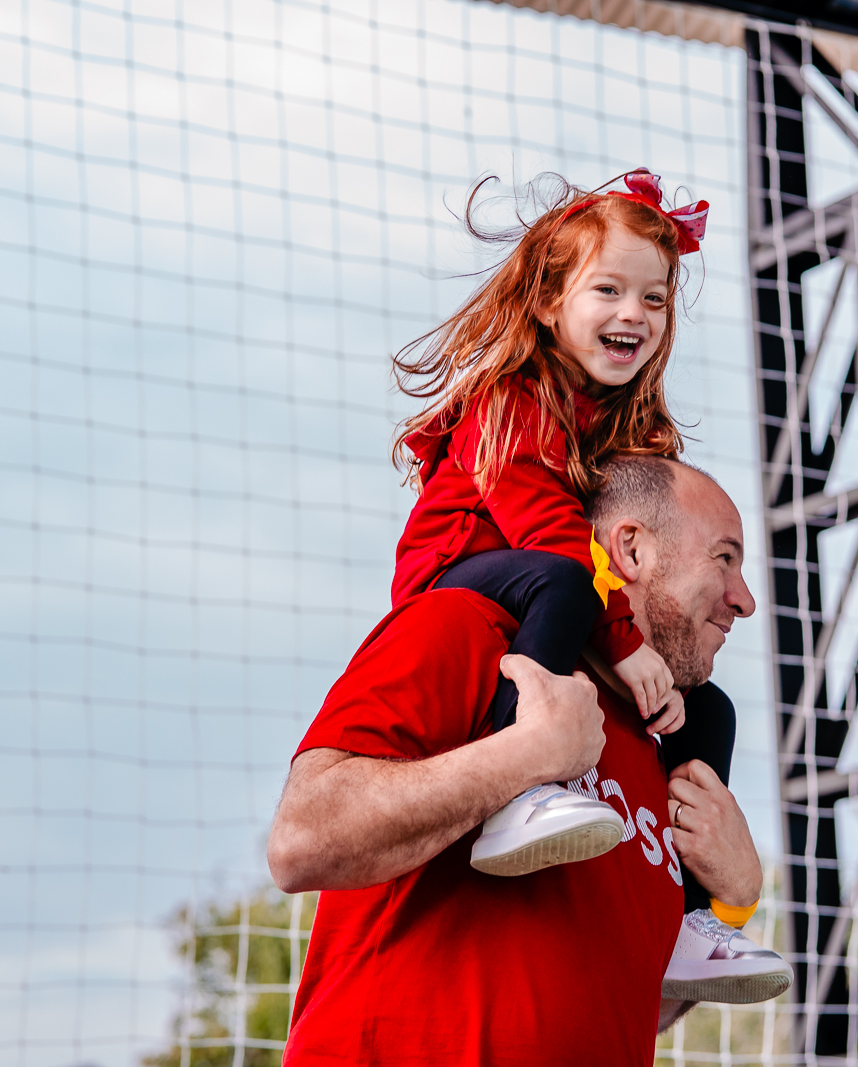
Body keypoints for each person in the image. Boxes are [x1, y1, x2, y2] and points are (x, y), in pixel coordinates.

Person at [268, 457, 790, 1065]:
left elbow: (632, 1009)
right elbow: (301, 839)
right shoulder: (465, 627)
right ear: (631, 550)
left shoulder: (662, 746)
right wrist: (523, 756)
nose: (745, 600)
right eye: (723, 558)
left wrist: (730, 900)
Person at [386, 171, 734, 904]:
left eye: (654, 299)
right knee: (562, 578)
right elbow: (551, 539)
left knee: (708, 707)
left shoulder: (610, 428)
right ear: (548, 302)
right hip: (460, 588)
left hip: (555, 601)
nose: (632, 312)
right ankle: (519, 786)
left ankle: (694, 917)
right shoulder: (509, 401)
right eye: (607, 290)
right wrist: (624, 641)